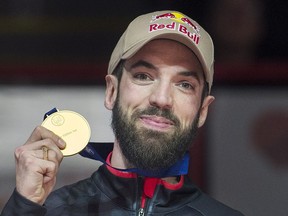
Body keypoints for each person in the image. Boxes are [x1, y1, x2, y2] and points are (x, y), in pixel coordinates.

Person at [1, 10, 244, 215]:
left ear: (202, 111)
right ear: (111, 91)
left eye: (184, 85)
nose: (161, 99)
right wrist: (24, 206)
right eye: (143, 76)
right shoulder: (50, 210)